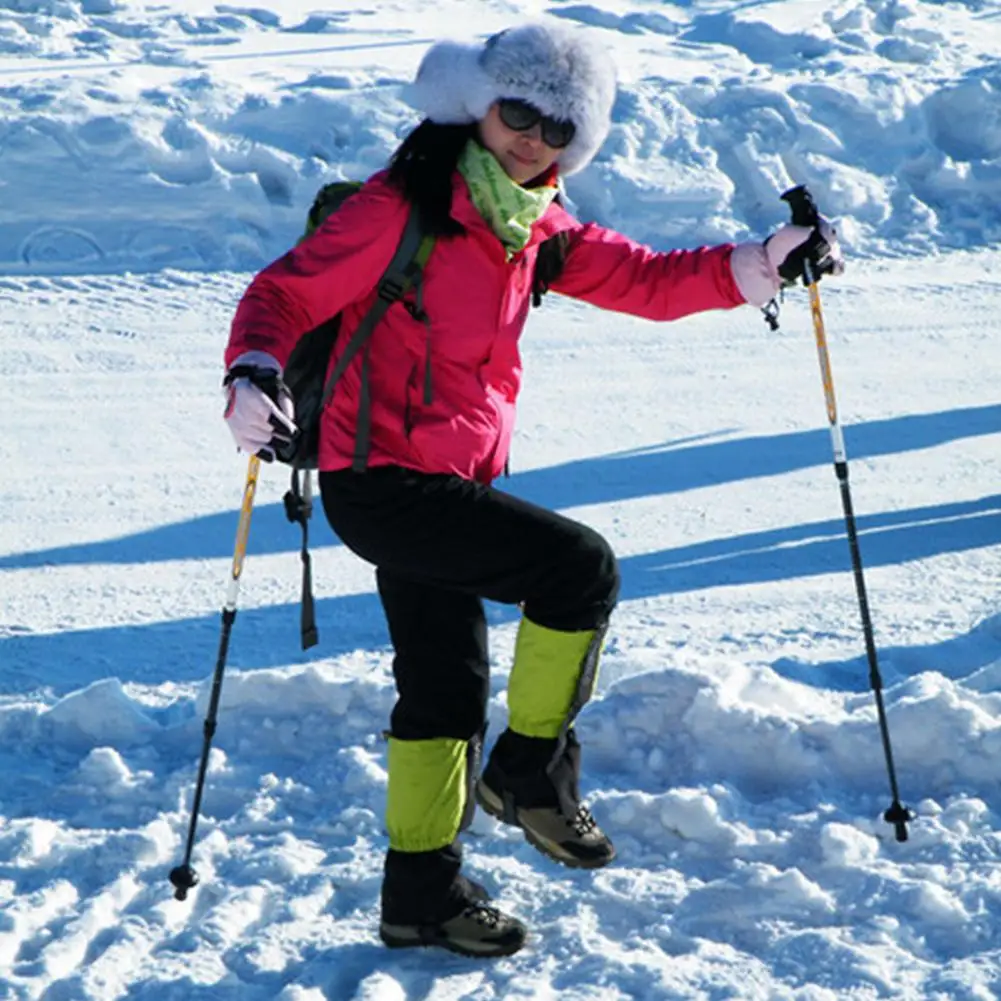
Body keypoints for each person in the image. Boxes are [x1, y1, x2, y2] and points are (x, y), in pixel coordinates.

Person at [222, 22, 843, 959]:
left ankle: (419, 896)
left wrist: (763, 259)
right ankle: (528, 773)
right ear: (478, 104)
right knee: (577, 570)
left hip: (448, 477)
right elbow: (286, 291)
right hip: (382, 478)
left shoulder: (532, 223)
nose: (532, 140)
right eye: (518, 113)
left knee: (443, 689)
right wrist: (252, 369)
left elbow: (643, 277)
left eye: (559, 130)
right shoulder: (402, 206)